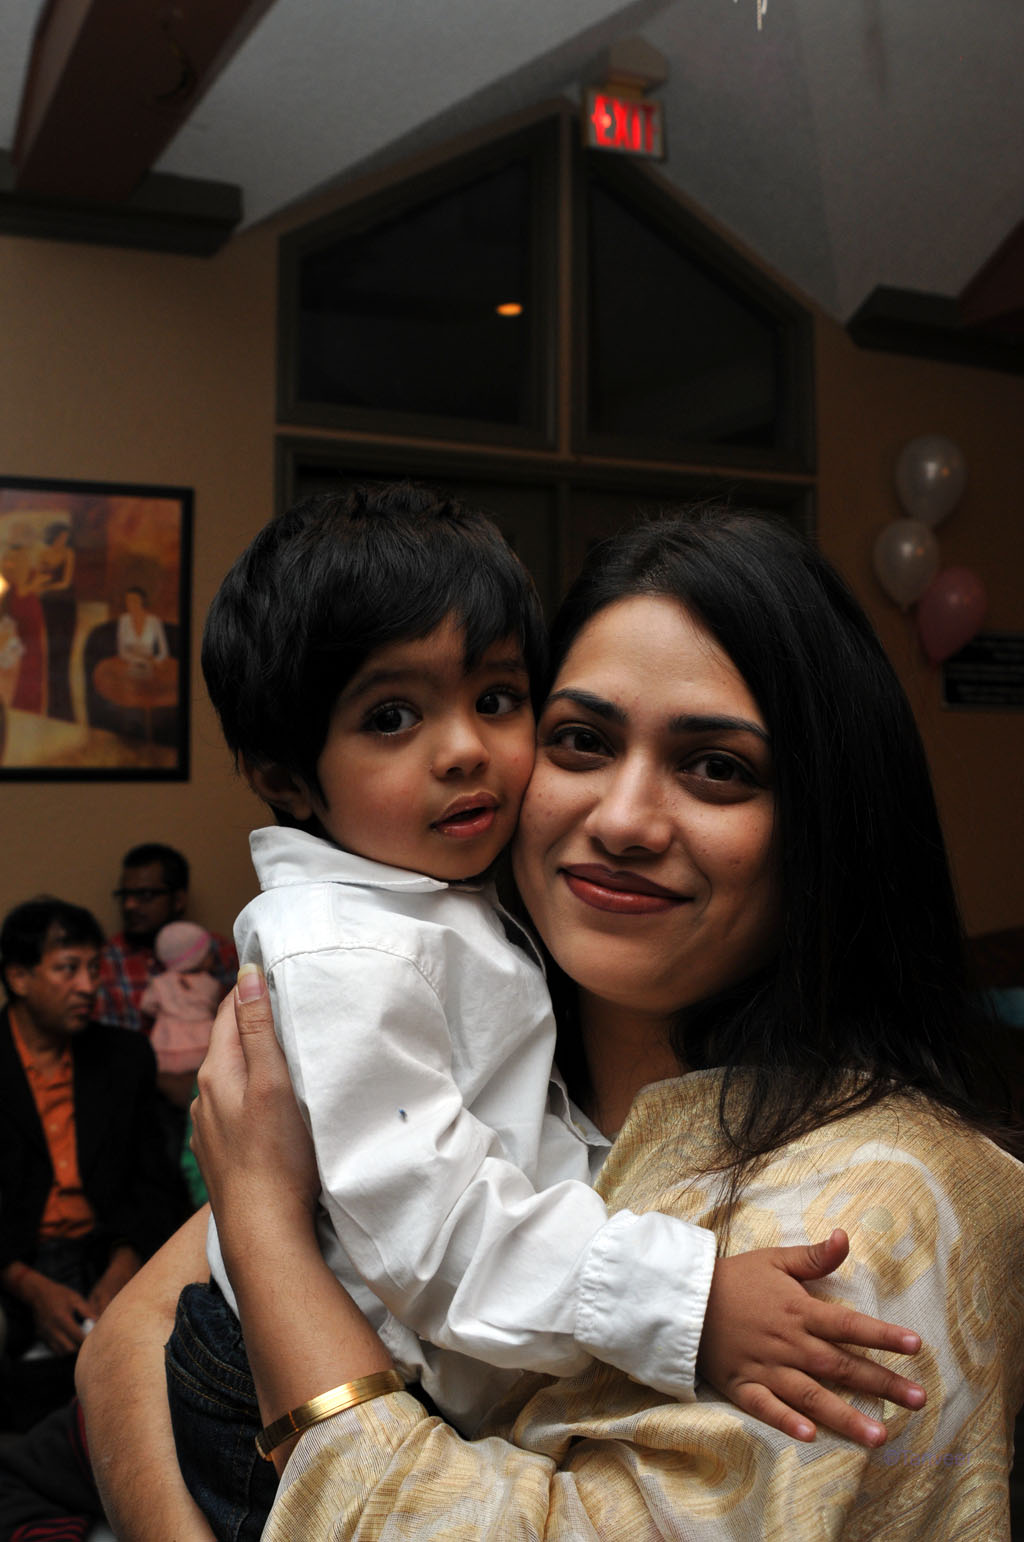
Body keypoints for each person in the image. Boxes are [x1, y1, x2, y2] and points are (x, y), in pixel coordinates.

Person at [78, 503, 1007, 1541]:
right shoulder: (381, 978)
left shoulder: (882, 1207)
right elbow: (123, 1342)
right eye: (581, 741)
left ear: (827, 818)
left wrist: (262, 1221)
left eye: (717, 767)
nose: (623, 819)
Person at [0, 897, 179, 1420]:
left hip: (107, 1248)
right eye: (68, 969)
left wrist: (125, 1264)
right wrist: (27, 1285)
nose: (88, 985)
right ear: (19, 977)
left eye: (94, 968)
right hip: (16, 1259)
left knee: (152, 1375)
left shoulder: (123, 1058)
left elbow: (156, 1183)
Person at [94, 842, 237, 1037]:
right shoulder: (106, 961)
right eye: (125, 895)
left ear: (178, 900)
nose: (129, 905)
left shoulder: (219, 952)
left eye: (145, 895)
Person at [139, 922, 226, 1110]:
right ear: (195, 958)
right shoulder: (210, 984)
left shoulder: (160, 983)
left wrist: (167, 1013)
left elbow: (147, 1006)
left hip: (169, 1044)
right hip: (204, 1042)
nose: (213, 958)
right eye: (208, 953)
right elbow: (213, 1008)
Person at [116, 585, 168, 670]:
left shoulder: (154, 621)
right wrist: (136, 660)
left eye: (135, 600)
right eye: (128, 600)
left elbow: (164, 651)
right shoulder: (123, 620)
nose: (131, 603)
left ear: (143, 601)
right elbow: (121, 651)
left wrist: (156, 660)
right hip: (129, 664)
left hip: (151, 665)